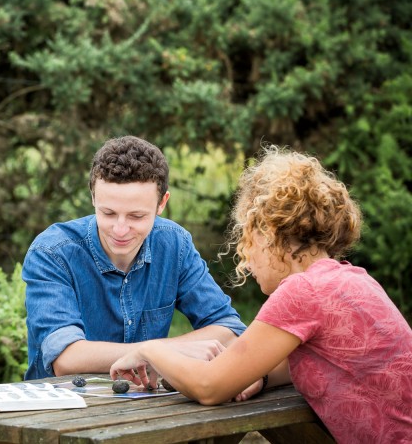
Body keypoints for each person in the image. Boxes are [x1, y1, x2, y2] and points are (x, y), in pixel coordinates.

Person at [110, 146, 412, 443]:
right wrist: (261, 376)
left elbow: (208, 387)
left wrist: (150, 350)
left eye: (246, 239)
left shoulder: (301, 292)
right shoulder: (353, 280)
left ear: (266, 233)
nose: (247, 259)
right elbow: (314, 362)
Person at [23, 135, 247, 380]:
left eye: (136, 216)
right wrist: (158, 352)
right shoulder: (52, 252)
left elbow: (228, 329)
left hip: (150, 407)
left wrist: (154, 353)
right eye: (108, 213)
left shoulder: (175, 244)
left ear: (162, 203)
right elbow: (66, 358)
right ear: (93, 197)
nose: (120, 229)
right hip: (62, 411)